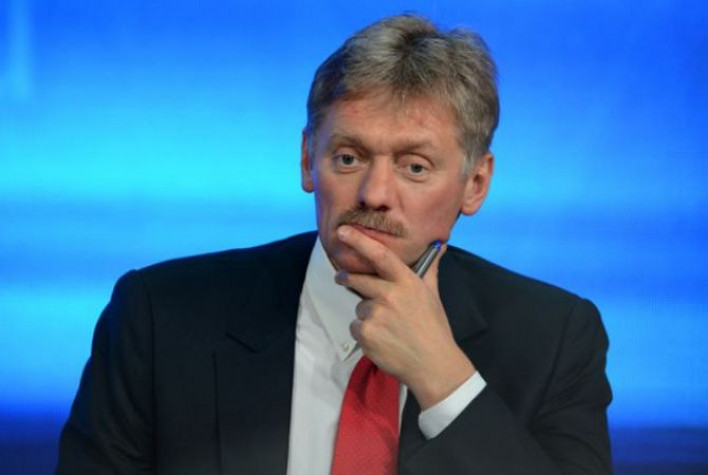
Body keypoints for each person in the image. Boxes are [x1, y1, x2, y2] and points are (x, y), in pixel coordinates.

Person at [56, 14, 612, 475]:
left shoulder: (554, 340)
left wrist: (445, 380)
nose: (374, 193)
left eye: (415, 166)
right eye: (348, 157)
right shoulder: (159, 318)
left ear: (476, 184)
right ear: (307, 160)